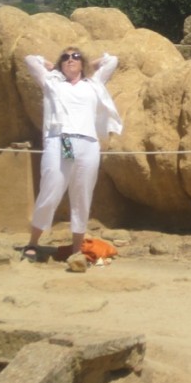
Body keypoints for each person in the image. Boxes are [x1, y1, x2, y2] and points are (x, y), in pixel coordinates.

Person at [20, 46, 123, 262]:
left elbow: (112, 60)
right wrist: (50, 64)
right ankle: (33, 242)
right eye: (65, 57)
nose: (70, 60)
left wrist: (89, 63)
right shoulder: (52, 83)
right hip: (62, 140)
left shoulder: (93, 83)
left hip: (88, 142)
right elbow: (30, 60)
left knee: (82, 195)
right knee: (51, 190)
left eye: (75, 56)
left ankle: (77, 249)